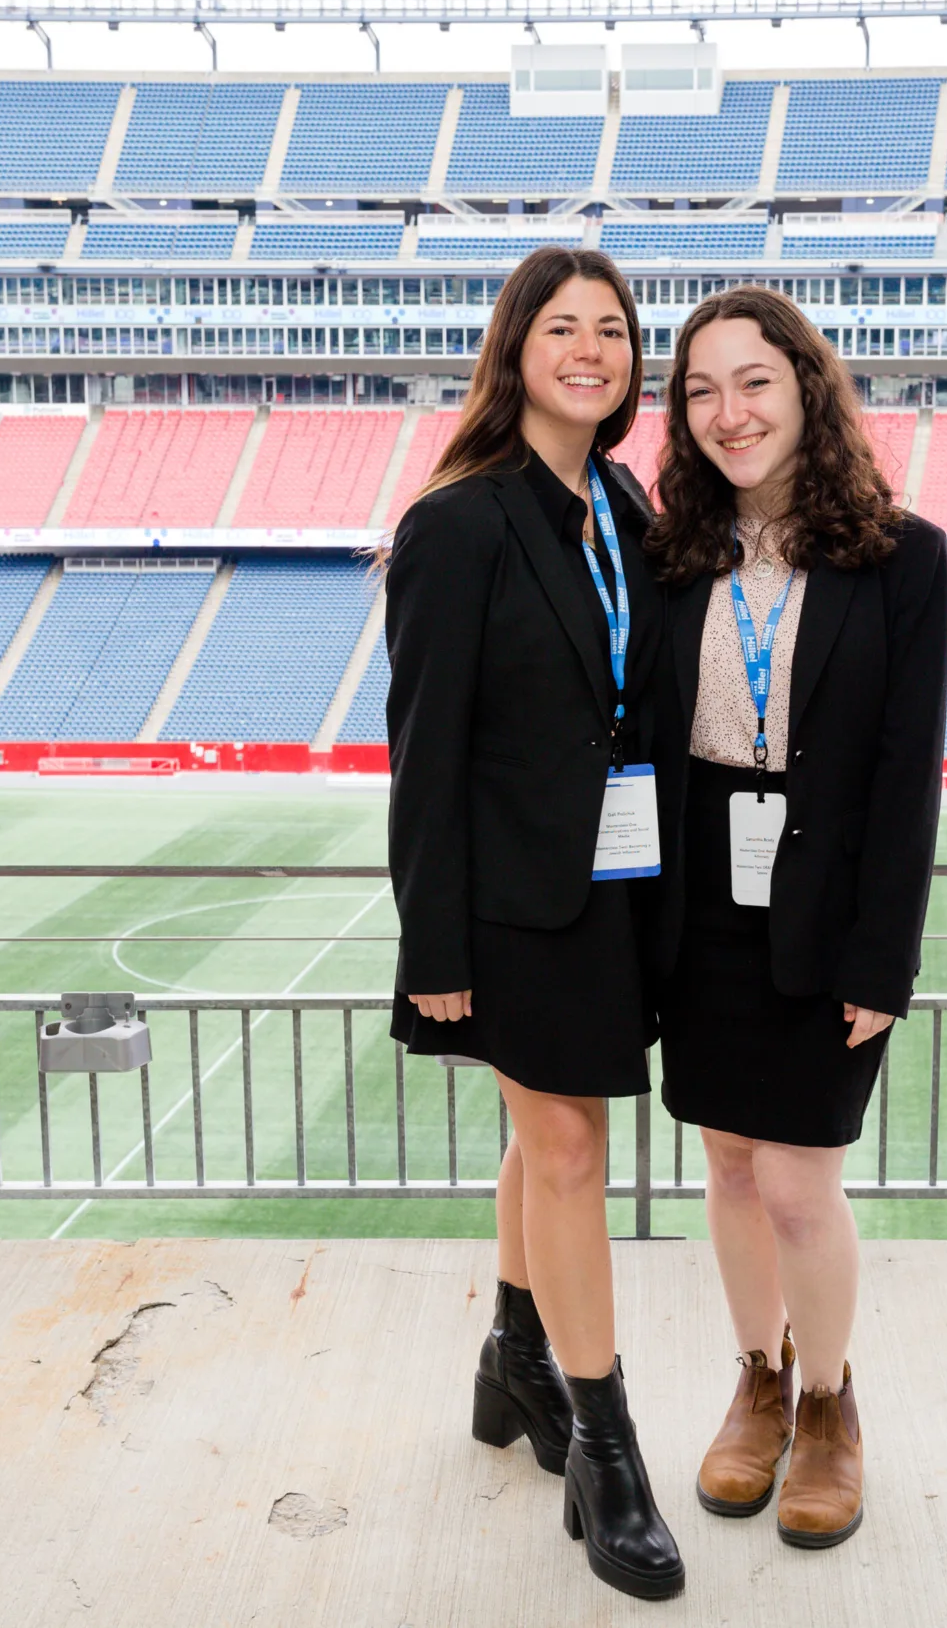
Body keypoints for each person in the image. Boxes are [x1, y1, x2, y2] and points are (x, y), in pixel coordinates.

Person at [383, 244, 683, 1601]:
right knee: (568, 1148)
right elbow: (425, 752)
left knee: (542, 1137)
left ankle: (513, 1359)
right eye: (562, 327)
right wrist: (434, 948)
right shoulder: (459, 523)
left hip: (612, 883)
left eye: (611, 329)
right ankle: (607, 1451)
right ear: (515, 349)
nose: (590, 349)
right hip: (508, 902)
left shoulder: (620, 497)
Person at [642, 286, 947, 1550]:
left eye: (753, 382)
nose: (729, 412)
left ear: (806, 389)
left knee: (798, 1186)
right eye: (701, 390)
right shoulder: (670, 552)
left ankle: (828, 1404)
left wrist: (883, 957)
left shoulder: (902, 555)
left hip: (829, 901)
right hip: (699, 901)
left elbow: (907, 771)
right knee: (726, 1161)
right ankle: (756, 1380)